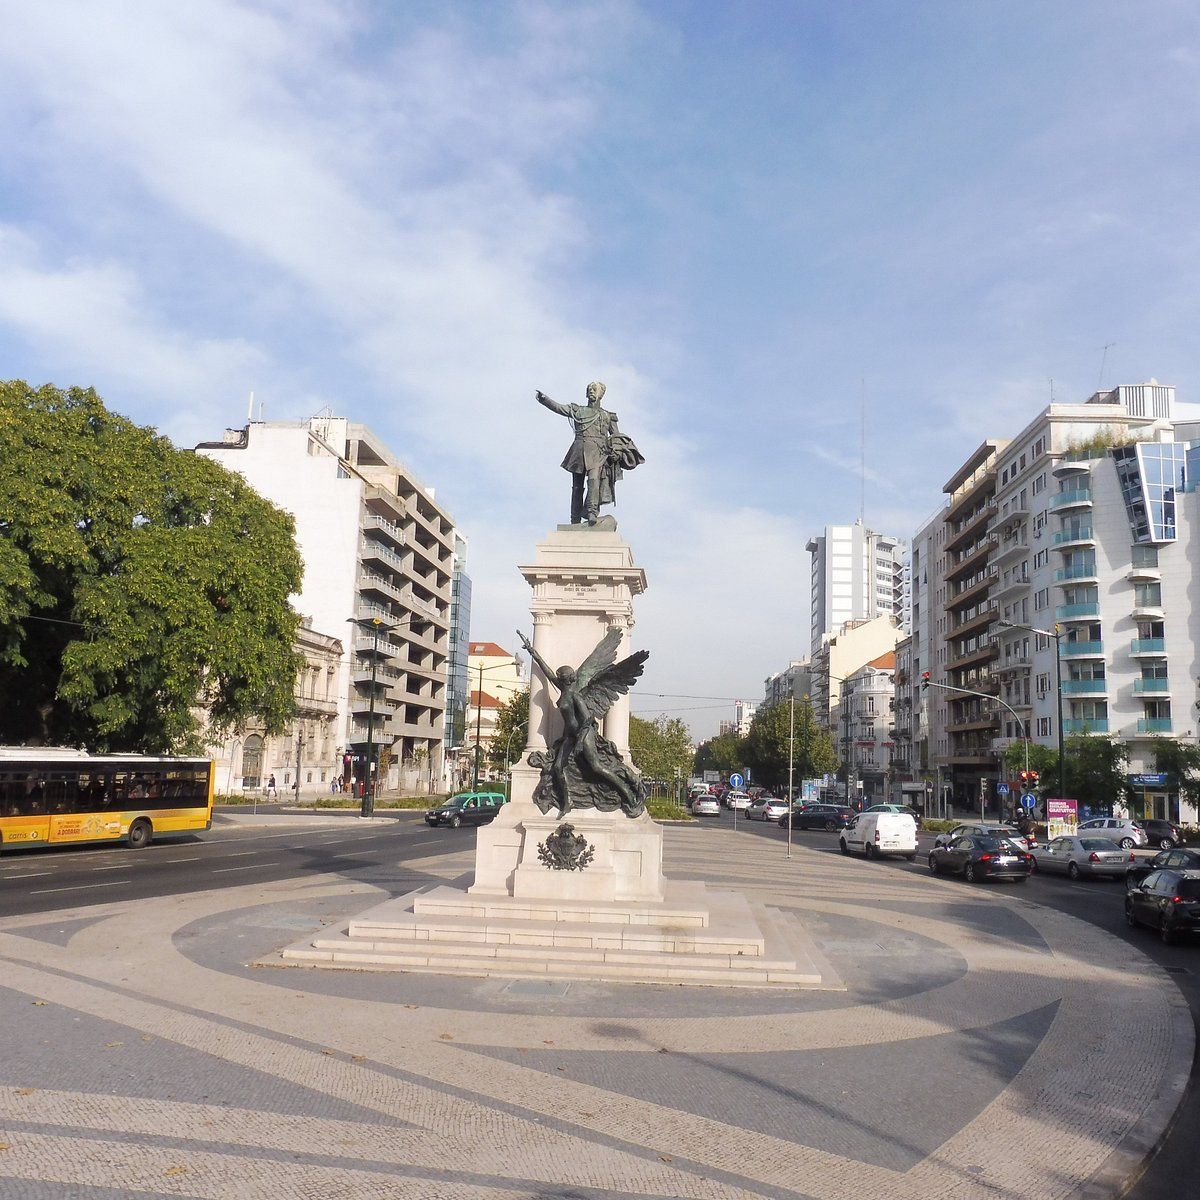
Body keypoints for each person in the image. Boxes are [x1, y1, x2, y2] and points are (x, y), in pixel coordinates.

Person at [535, 382, 644, 525]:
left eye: (594, 389)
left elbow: (616, 437)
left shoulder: (607, 415)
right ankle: (575, 518)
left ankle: (592, 512)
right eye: (589, 389)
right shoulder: (577, 410)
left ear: (601, 394)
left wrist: (616, 451)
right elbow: (559, 408)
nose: (591, 391)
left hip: (598, 452)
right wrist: (544, 399)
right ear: (586, 394)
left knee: (594, 480)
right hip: (579, 450)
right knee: (577, 486)